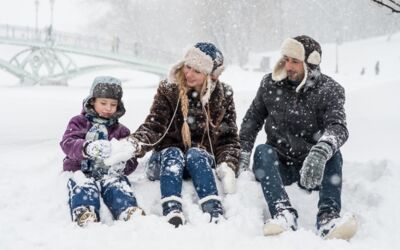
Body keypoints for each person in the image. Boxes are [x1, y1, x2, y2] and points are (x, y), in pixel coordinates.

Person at [104, 42, 241, 227]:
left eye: (197, 71)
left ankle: (213, 209)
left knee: (196, 153)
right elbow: (154, 126)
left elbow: (228, 137)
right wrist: (134, 144)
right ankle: (172, 209)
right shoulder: (169, 89)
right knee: (173, 153)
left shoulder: (223, 95)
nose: (189, 74)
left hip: (198, 163)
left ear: (211, 76)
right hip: (164, 161)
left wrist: (228, 164)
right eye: (188, 66)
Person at [238, 35, 357, 240]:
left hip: (313, 168)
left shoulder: (329, 90)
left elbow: (338, 126)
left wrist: (321, 151)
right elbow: (252, 120)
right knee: (262, 151)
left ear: (310, 64)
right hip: (279, 165)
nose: (288, 66)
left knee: (333, 153)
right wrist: (242, 153)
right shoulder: (270, 84)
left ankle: (328, 218)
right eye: (286, 59)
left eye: (295, 61)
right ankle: (283, 213)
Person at [60, 76, 145, 227]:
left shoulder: (121, 131)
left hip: (108, 173)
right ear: (92, 101)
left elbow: (130, 157)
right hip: (81, 170)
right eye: (103, 103)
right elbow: (67, 143)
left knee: (117, 185)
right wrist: (87, 147)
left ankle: (127, 209)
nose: (108, 108)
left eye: (113, 104)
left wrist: (123, 164)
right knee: (83, 185)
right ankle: (85, 211)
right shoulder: (79, 122)